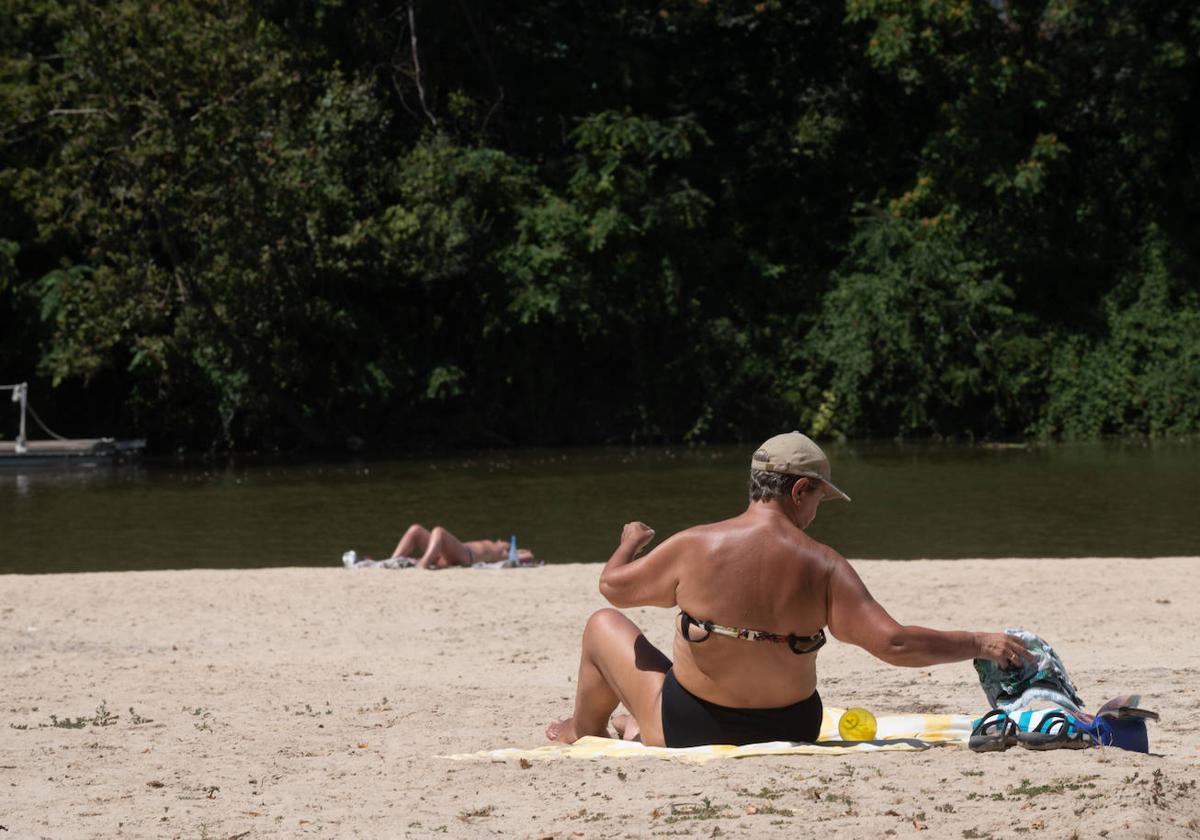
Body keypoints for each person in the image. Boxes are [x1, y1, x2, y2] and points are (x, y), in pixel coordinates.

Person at [545, 431, 1033, 748]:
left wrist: (628, 543)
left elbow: (613, 588)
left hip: (691, 727)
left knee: (601, 626)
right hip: (792, 727)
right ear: (800, 491)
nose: (818, 509)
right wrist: (977, 642)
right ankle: (628, 727)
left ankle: (584, 731)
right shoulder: (823, 564)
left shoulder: (695, 545)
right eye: (820, 496)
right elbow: (894, 643)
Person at [388, 523, 536, 569]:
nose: (501, 540)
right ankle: (391, 561)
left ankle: (423, 565)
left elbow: (528, 556)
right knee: (416, 529)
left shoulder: (502, 553)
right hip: (444, 554)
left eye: (505, 542)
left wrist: (517, 551)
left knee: (438, 531)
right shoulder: (495, 544)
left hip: (466, 556)